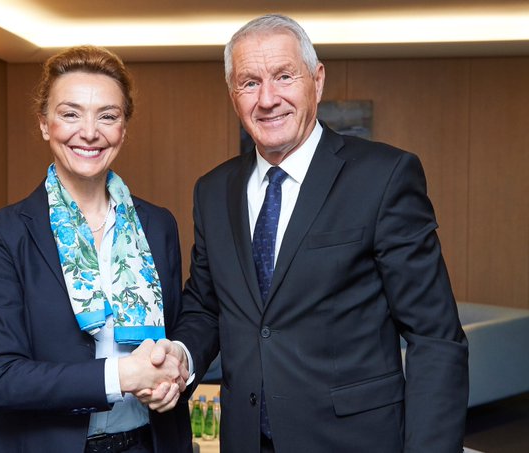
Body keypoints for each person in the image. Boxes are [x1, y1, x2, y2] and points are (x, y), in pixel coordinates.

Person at [147, 13, 469, 453]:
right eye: (249, 83)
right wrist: (181, 357)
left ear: (317, 81)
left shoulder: (384, 176)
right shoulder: (213, 190)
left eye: (284, 76)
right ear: (233, 95)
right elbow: (206, 305)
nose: (268, 99)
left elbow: (435, 337)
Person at [0, 45, 192, 453]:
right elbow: (2, 377)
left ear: (124, 128)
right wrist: (122, 375)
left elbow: (176, 337)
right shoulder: (2, 234)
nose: (89, 132)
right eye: (71, 114)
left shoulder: (158, 225)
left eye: (108, 116)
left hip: (149, 442)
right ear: (44, 124)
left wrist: (173, 374)